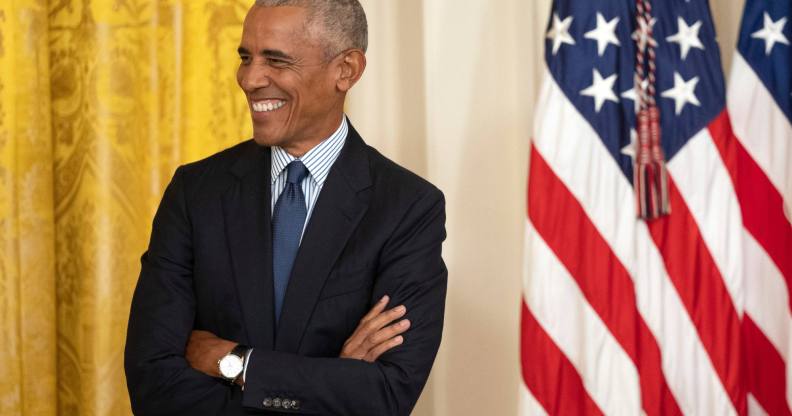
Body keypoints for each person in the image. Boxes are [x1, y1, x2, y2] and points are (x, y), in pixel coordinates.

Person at [124, 1, 447, 415]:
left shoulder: (407, 208)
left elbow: (385, 395)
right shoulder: (195, 192)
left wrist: (237, 362)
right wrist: (332, 380)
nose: (250, 78)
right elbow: (153, 383)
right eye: (246, 57)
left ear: (346, 69)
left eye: (275, 60)